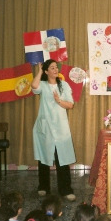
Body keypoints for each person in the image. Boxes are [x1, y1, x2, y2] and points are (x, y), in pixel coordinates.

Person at [31, 59, 76, 202]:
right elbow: (34, 86)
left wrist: (58, 101)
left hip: (60, 127)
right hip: (45, 127)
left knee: (62, 159)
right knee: (44, 158)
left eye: (56, 67)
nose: (56, 70)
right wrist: (38, 72)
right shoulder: (43, 85)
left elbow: (70, 105)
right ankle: (43, 187)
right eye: (52, 68)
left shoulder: (64, 85)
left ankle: (66, 189)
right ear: (46, 71)